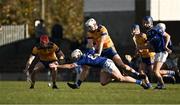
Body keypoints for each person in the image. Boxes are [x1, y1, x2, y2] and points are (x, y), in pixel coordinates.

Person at [68, 18, 146, 89]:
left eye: (90, 26)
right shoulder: (89, 32)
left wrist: (98, 53)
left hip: (109, 49)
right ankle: (78, 84)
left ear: (95, 25)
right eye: (88, 27)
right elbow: (90, 44)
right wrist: (91, 52)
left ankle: (137, 74)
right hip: (100, 51)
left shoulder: (102, 28)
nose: (89, 28)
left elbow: (102, 42)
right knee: (100, 80)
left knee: (122, 65)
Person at [50, 49, 149, 89]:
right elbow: (93, 49)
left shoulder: (82, 59)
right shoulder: (86, 54)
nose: (75, 60)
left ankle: (140, 82)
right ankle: (114, 76)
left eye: (75, 58)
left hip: (107, 63)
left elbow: (70, 66)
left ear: (78, 55)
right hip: (103, 65)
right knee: (103, 83)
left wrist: (57, 66)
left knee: (121, 79)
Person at [146, 23, 173, 89]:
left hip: (162, 52)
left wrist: (166, 46)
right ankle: (170, 73)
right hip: (158, 52)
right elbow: (152, 44)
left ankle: (162, 85)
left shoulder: (157, 31)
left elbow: (168, 36)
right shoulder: (152, 33)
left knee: (155, 71)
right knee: (156, 71)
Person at [131, 24, 154, 88]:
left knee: (153, 72)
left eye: (134, 29)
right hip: (143, 56)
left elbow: (149, 45)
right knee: (141, 71)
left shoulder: (143, 35)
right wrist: (134, 57)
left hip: (149, 55)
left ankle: (169, 74)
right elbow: (137, 48)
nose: (132, 31)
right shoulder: (134, 37)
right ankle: (149, 84)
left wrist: (142, 49)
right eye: (132, 29)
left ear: (137, 30)